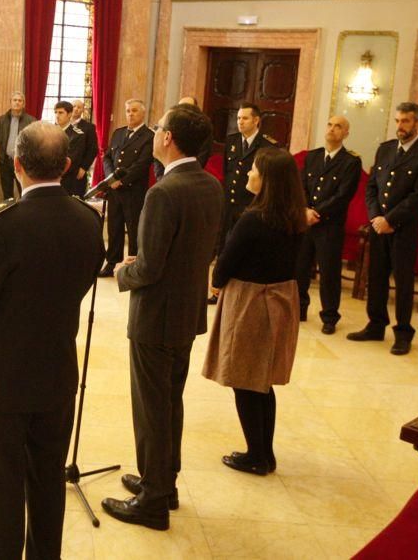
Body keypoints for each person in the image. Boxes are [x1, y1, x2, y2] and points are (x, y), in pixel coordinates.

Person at [0, 121, 104, 559]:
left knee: (1, 489)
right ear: (66, 165)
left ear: (17, 164)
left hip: (3, 377)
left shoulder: (1, 225)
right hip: (57, 373)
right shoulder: (87, 220)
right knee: (47, 487)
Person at [100, 105, 223, 532]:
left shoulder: (163, 191)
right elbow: (194, 249)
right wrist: (146, 261)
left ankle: (152, 502)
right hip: (186, 311)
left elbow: (149, 269)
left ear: (168, 138)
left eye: (160, 127)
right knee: (170, 401)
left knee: (152, 407)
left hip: (156, 317)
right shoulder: (210, 184)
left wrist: (122, 270)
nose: (154, 133)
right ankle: (163, 482)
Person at [202, 148, 307, 476]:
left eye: (254, 170)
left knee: (245, 380)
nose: (248, 174)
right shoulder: (294, 216)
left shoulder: (253, 218)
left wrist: (216, 284)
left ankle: (256, 456)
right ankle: (265, 452)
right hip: (280, 297)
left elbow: (228, 261)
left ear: (269, 180)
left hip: (251, 300)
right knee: (262, 382)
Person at [347, 102, 418, 355]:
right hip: (379, 225)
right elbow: (372, 188)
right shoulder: (386, 149)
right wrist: (376, 216)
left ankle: (403, 332)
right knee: (376, 276)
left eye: (406, 121)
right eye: (398, 121)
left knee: (402, 281)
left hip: (403, 228)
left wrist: (391, 220)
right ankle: (376, 325)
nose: (400, 126)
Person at [296, 116, 362, 334]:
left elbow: (343, 196)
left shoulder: (350, 162)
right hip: (306, 222)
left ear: (346, 134)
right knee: (300, 267)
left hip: (329, 225)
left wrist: (318, 213)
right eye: (329, 125)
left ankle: (330, 316)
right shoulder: (313, 156)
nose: (332, 129)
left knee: (329, 272)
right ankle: (299, 308)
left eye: (338, 127)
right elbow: (302, 186)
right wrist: (305, 210)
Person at [208, 103, 278, 303]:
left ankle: (236, 292)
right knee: (223, 247)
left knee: (241, 249)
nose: (240, 122)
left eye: (245, 118)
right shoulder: (231, 141)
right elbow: (227, 173)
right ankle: (217, 291)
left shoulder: (267, 146)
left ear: (256, 121)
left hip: (250, 207)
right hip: (229, 203)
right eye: (238, 118)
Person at [98, 99, 154, 277]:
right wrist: (110, 178)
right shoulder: (118, 133)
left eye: (134, 111)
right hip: (114, 191)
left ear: (143, 113)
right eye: (128, 110)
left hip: (133, 190)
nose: (130, 114)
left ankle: (133, 264)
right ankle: (112, 262)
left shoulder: (149, 136)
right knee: (114, 228)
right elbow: (107, 157)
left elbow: (142, 164)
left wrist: (121, 180)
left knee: (134, 227)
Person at [0, 91, 36, 200]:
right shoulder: (1, 120)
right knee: (7, 193)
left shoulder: (31, 121)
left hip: (23, 162)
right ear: (10, 103)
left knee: (24, 191)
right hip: (5, 161)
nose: (17, 103)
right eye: (15, 100)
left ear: (23, 104)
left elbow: (34, 141)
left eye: (20, 101)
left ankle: (24, 215)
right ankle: (9, 215)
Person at [54, 100, 87, 196]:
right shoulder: (49, 132)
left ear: (69, 114)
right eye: (55, 112)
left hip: (67, 179)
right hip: (49, 179)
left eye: (61, 112)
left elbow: (71, 160)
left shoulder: (77, 135)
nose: (57, 115)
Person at [70, 99, 98, 190]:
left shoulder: (89, 127)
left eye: (79, 107)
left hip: (78, 169)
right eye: (74, 106)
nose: (76, 109)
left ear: (83, 110)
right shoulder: (62, 124)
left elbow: (92, 149)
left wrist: (83, 167)